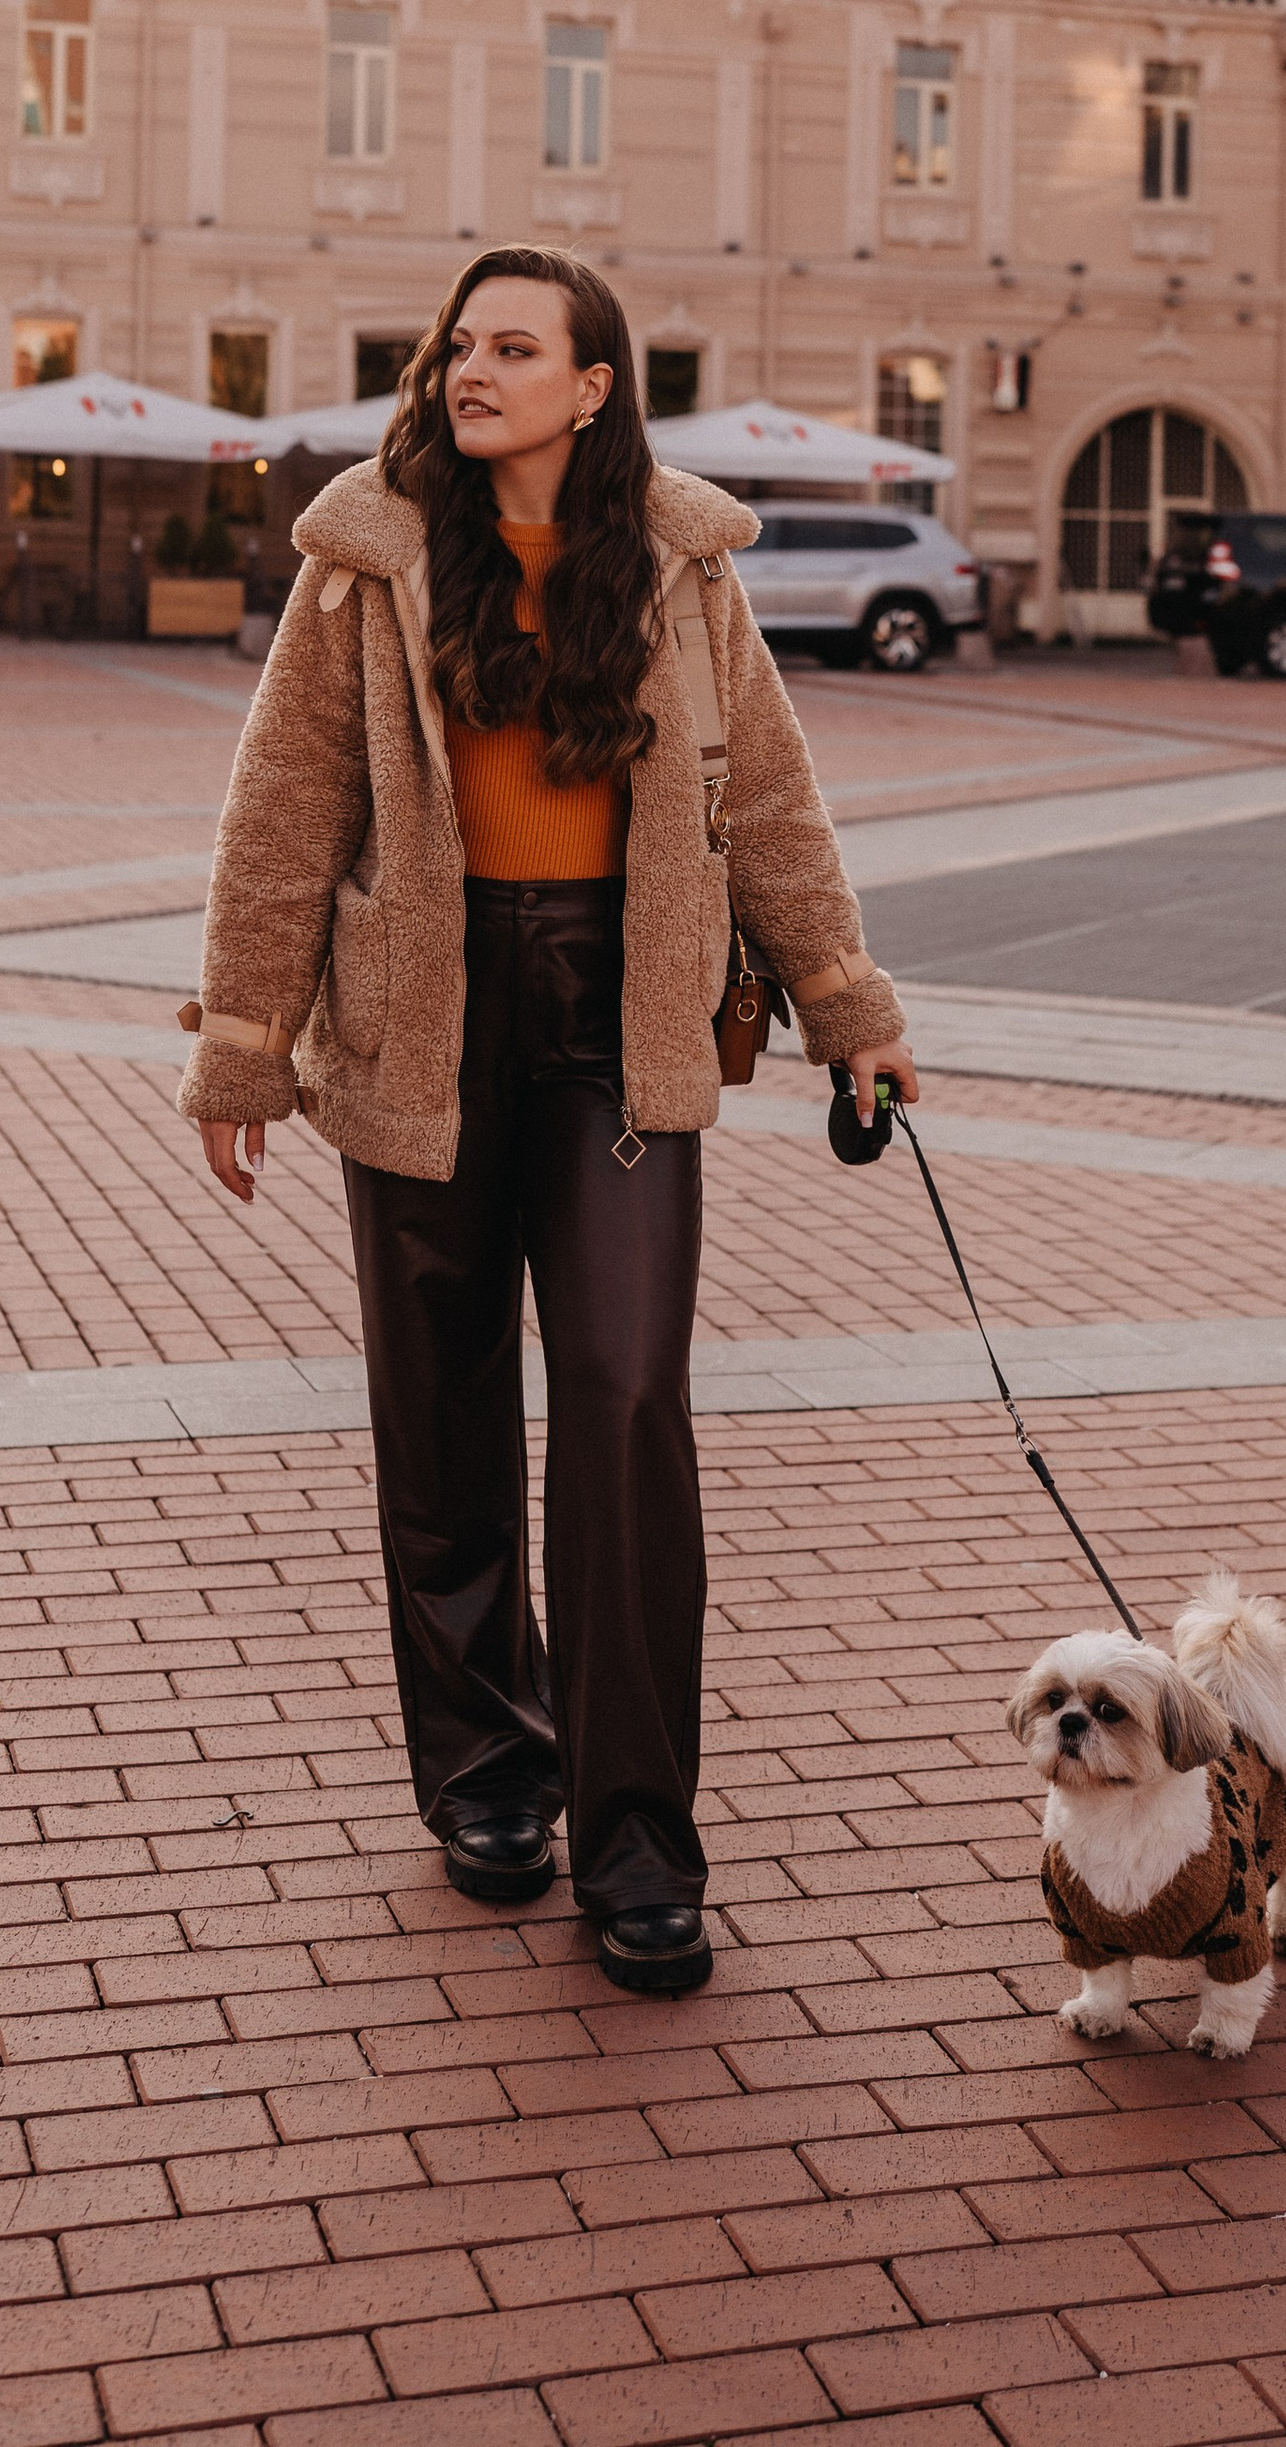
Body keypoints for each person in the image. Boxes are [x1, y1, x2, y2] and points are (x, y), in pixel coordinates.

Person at [179, 246, 914, 1998]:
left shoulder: (679, 567)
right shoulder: (365, 560)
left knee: (627, 1398)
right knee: (439, 1416)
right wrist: (244, 1042)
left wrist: (850, 1008)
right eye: (460, 345)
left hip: (617, 1017)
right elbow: (285, 809)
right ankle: (490, 1772)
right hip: (419, 1017)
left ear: (593, 389)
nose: (471, 370)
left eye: (515, 348)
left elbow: (771, 805)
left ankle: (641, 1837)